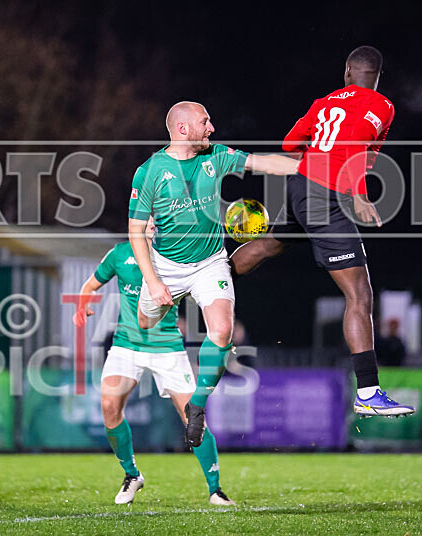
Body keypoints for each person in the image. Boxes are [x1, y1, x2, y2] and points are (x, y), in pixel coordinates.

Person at [230, 46, 415, 417]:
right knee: (359, 295)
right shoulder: (381, 105)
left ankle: (205, 272)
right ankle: (368, 391)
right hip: (325, 194)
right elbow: (356, 146)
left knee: (268, 246)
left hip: (302, 186)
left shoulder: (323, 102)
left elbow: (289, 145)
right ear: (377, 75)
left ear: (347, 70)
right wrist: (360, 194)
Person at [128, 101, 299, 447]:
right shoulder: (149, 171)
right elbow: (135, 232)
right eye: (205, 122)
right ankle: (159, 305)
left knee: (221, 331)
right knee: (145, 322)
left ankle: (197, 406)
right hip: (167, 268)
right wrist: (153, 281)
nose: (212, 128)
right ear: (182, 129)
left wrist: (309, 168)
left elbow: (262, 162)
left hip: (210, 262)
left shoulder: (216, 156)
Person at [75, 234, 236, 506]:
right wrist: (82, 304)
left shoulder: (174, 254)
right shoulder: (119, 254)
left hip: (168, 347)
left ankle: (215, 490)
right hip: (126, 345)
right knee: (109, 404)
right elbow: (89, 286)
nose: (150, 223)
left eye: (155, 217)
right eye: (145, 218)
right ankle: (131, 475)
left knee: (192, 417)